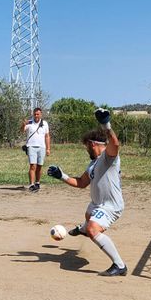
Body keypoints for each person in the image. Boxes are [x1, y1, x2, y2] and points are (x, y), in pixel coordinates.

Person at [47, 109, 127, 277]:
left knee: (92, 229)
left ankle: (119, 266)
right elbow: (82, 183)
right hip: (98, 204)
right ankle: (82, 228)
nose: (86, 150)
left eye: (86, 147)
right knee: (89, 213)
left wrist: (106, 124)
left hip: (111, 206)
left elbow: (115, 144)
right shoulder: (93, 164)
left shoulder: (108, 157)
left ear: (92, 144)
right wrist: (62, 176)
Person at [22, 107, 50, 191]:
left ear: (41, 114)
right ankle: (31, 184)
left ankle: (37, 183)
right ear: (33, 114)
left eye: (38, 114)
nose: (36, 116)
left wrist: (48, 148)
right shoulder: (29, 122)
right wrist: (23, 124)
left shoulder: (45, 123)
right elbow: (22, 130)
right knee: (32, 166)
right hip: (31, 146)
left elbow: (47, 136)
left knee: (39, 166)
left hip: (42, 147)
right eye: (35, 114)